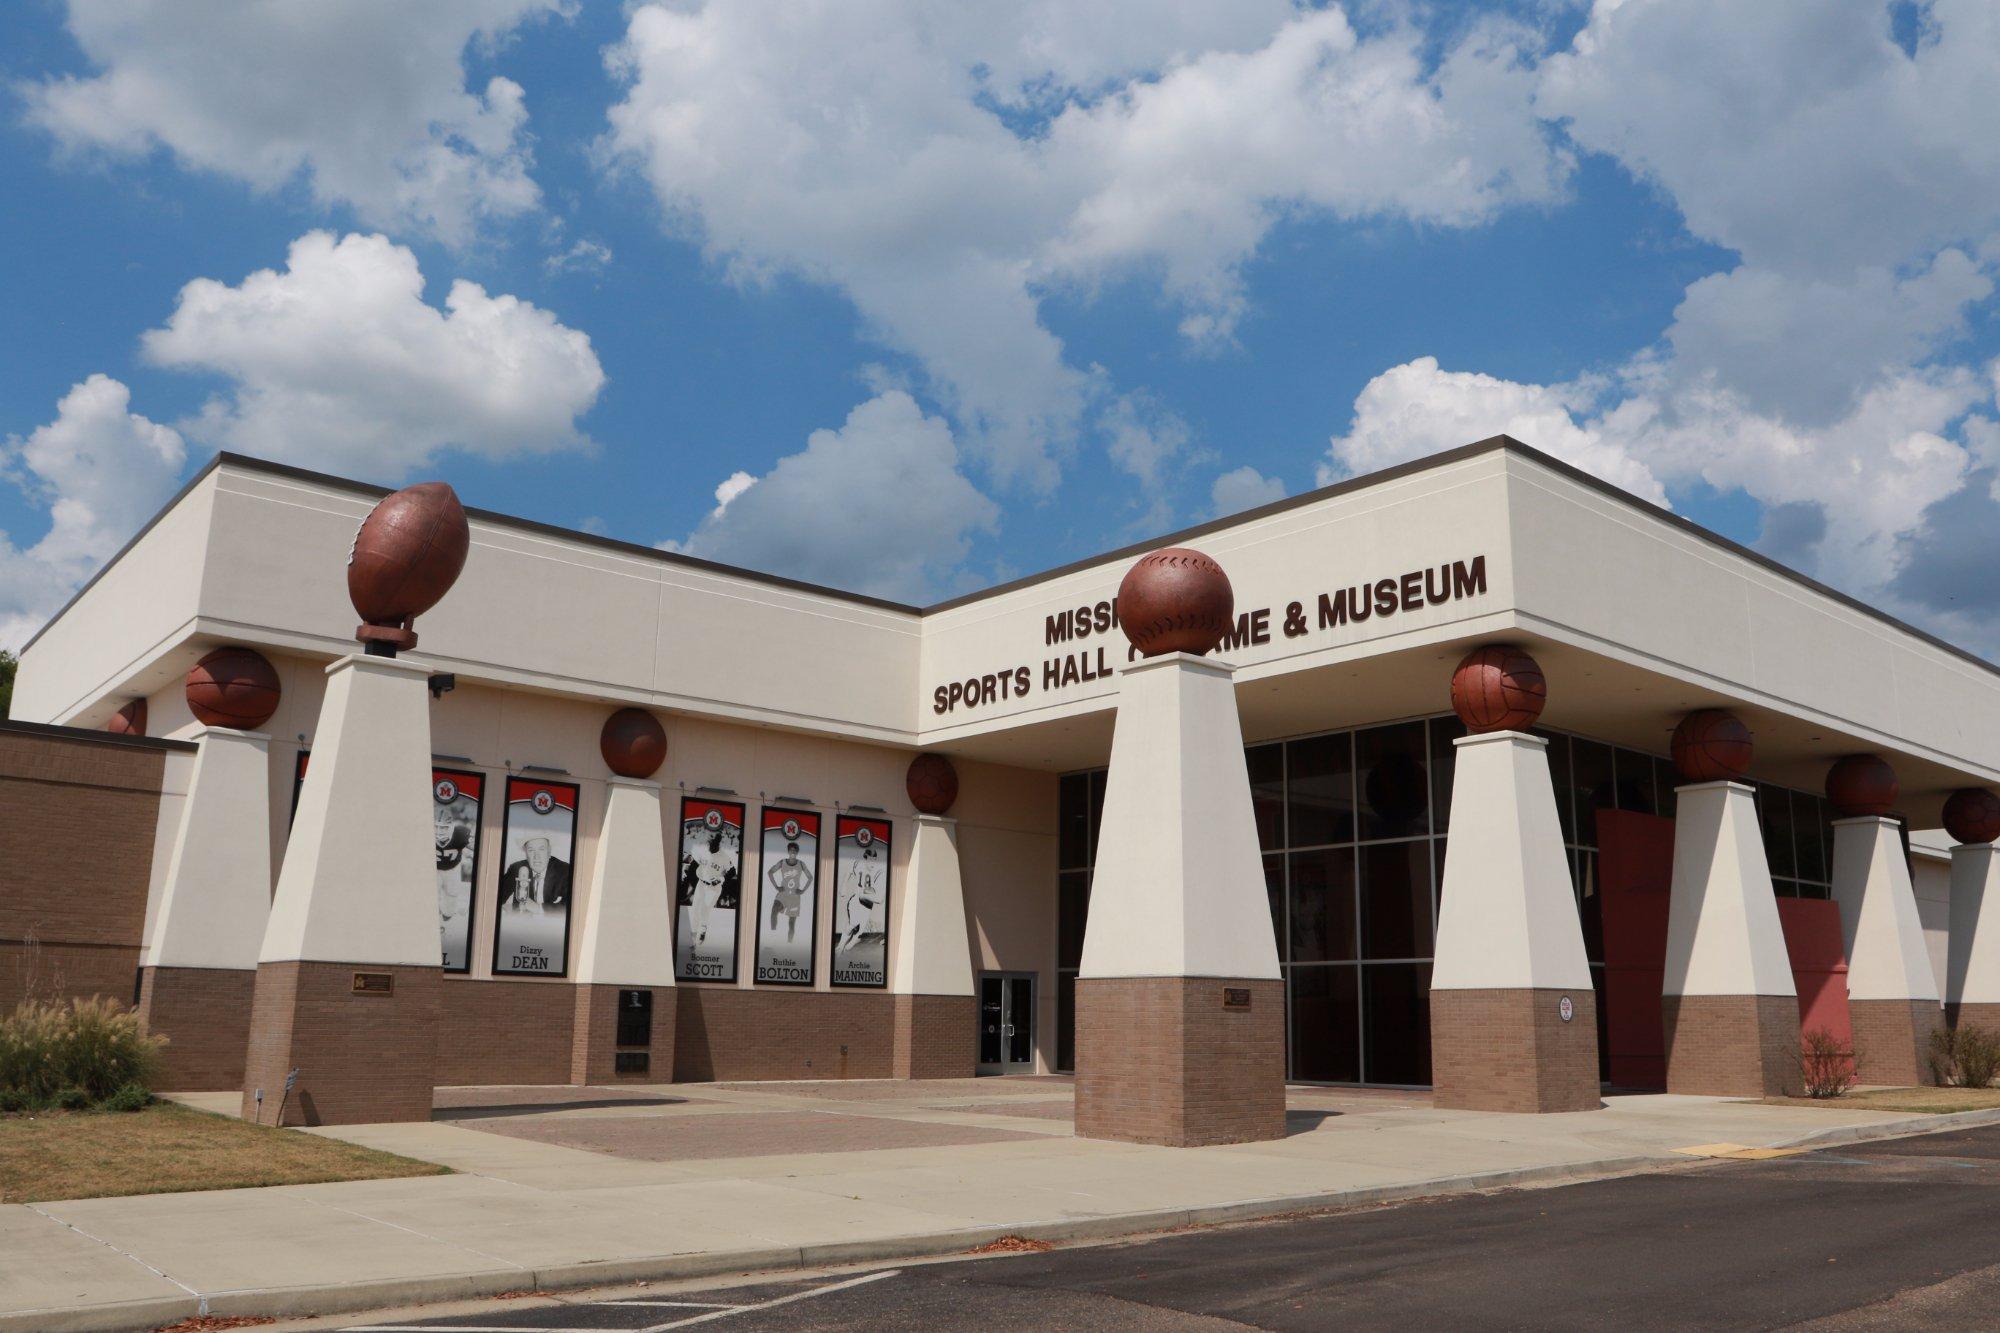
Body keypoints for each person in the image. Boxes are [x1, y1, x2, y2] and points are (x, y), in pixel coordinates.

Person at [501, 835, 569, 913]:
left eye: (541, 849)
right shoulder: (516, 868)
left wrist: (539, 908)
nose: (537, 856)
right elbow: (495, 897)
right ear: (526, 853)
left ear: (549, 852)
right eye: (531, 850)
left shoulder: (565, 870)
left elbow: (570, 906)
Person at [689, 827, 733, 946]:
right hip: (701, 884)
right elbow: (694, 861)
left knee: (704, 910)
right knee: (695, 910)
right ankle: (693, 939)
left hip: (714, 888)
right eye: (709, 843)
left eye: (712, 844)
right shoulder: (703, 850)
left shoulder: (725, 857)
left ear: (717, 844)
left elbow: (731, 872)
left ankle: (702, 930)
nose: (709, 846)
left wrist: (720, 879)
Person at [838, 844, 883, 956]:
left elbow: (880, 899)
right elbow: (849, 871)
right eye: (870, 859)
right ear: (865, 857)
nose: (872, 863)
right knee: (852, 925)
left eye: (874, 860)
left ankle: (852, 941)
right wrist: (844, 886)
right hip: (856, 900)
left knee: (860, 930)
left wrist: (865, 895)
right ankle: (840, 947)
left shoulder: (879, 872)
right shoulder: (858, 864)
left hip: (867, 904)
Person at [766, 840, 812, 943]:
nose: (793, 852)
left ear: (797, 852)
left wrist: (803, 890)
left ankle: (789, 944)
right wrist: (776, 887)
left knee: (791, 923)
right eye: (791, 850)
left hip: (794, 897)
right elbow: (770, 872)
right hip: (783, 894)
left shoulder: (801, 864)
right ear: (788, 851)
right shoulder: (782, 862)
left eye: (795, 850)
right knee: (774, 911)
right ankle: (773, 936)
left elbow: (810, 877)